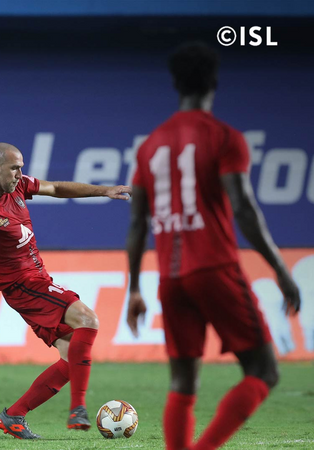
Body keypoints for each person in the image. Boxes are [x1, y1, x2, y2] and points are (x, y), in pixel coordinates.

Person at [125, 42, 300, 450]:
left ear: (175, 84)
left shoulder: (149, 146)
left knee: (182, 382)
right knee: (263, 370)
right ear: (214, 82)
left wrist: (133, 287)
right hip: (215, 268)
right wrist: (279, 268)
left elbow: (136, 224)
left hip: (170, 278)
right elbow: (243, 208)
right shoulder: (224, 137)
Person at [0, 142, 131, 439]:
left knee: (72, 357)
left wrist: (104, 191)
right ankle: (78, 408)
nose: (20, 174)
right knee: (88, 319)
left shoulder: (17, 186)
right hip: (22, 285)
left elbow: (56, 188)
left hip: (38, 278)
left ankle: (13, 416)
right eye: (14, 168)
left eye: (21, 168)